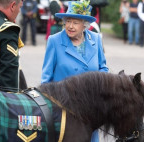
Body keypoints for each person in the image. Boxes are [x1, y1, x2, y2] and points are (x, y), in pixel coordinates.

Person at [41, 0, 109, 142]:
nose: (70, 26)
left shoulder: (95, 39)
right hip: (64, 110)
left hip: (90, 107)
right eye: (68, 21)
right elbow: (45, 80)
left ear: (84, 25)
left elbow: (103, 68)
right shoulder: (54, 41)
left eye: (75, 22)